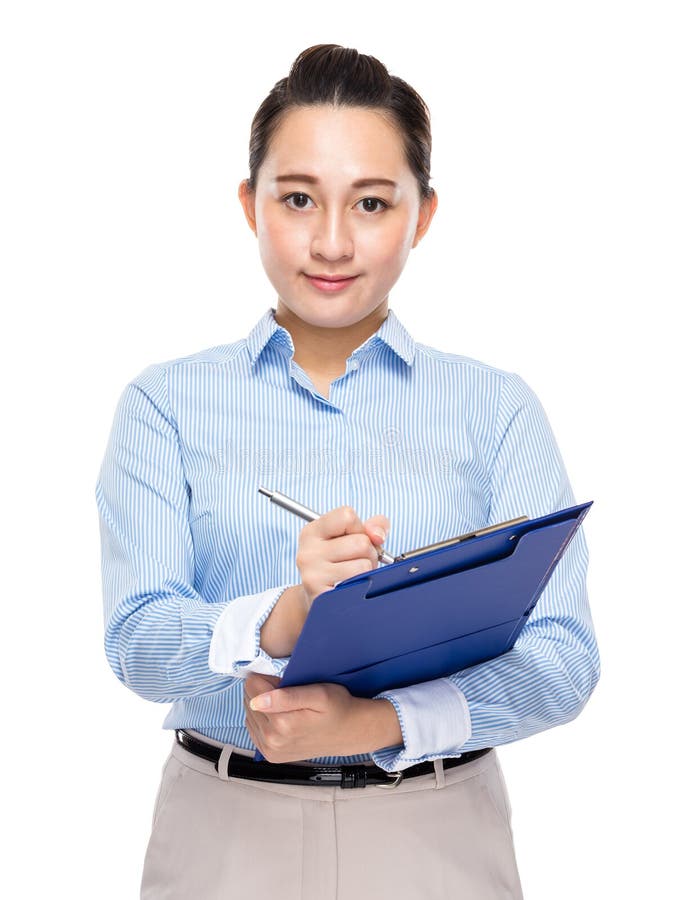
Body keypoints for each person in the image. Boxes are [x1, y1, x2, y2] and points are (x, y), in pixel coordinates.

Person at [95, 43, 600, 900]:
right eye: (298, 199)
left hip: (436, 832)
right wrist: (286, 618)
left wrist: (372, 722)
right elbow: (138, 644)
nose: (332, 241)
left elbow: (562, 660)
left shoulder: (496, 409)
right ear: (251, 204)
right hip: (225, 833)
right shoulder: (164, 404)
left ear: (423, 214)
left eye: (371, 202)